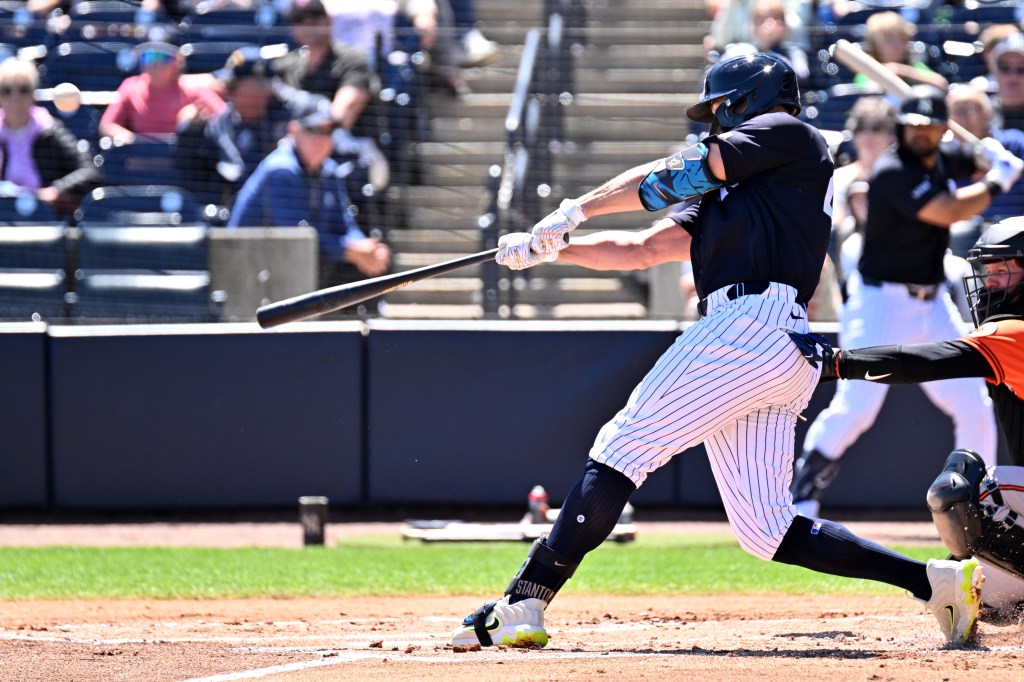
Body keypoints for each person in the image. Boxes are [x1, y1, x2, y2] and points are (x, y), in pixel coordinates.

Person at [450, 52, 986, 650]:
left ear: (748, 99)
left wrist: (575, 208)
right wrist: (550, 247)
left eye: (721, 107)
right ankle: (933, 582)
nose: (714, 120)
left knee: (622, 447)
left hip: (750, 325)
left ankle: (525, 599)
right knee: (766, 529)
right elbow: (642, 250)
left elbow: (671, 174)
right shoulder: (742, 186)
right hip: (776, 347)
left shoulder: (788, 134)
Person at [791, 85, 1016, 518]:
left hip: (933, 304)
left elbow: (972, 160)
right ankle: (802, 498)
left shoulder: (944, 156)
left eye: (929, 127)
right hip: (881, 302)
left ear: (942, 129)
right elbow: (947, 210)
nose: (919, 134)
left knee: (974, 403)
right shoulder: (892, 169)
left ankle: (980, 506)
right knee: (857, 406)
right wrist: (997, 180)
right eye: (912, 126)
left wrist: (991, 153)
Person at [797, 216, 1024, 613]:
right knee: (983, 587)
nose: (989, 281)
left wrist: (837, 363)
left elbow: (923, 361)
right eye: (988, 269)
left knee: (971, 490)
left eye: (1002, 269)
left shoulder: (1014, 331)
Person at [227, 96, 391, 285]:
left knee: (381, 266)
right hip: (249, 273)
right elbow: (298, 235)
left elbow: (344, 225)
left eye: (329, 130)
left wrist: (368, 249)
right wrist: (350, 250)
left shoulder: (329, 171)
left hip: (290, 270)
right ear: (293, 130)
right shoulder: (281, 170)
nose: (323, 138)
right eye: (314, 130)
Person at [174, 47, 286, 208]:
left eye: (233, 86)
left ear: (262, 86)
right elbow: (193, 171)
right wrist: (190, 131)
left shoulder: (288, 117)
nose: (227, 92)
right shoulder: (222, 121)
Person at [0, 56, 99, 218]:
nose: (15, 97)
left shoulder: (50, 130)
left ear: (33, 94)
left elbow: (89, 171)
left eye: (23, 89)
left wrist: (56, 190)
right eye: (6, 90)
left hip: (45, 221)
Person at [98, 41, 226, 143]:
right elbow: (107, 125)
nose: (154, 63)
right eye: (147, 57)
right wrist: (131, 140)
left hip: (183, 160)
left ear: (177, 62)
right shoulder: (130, 86)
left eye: (162, 57)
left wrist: (195, 122)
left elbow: (225, 118)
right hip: (142, 160)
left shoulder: (193, 88)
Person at [277, 0, 374, 134]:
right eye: (299, 19)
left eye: (314, 16)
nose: (308, 24)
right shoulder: (287, 64)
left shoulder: (353, 60)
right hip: (298, 141)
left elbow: (340, 118)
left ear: (329, 19)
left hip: (348, 142)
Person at [830, 96, 897, 287]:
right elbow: (836, 225)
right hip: (848, 258)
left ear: (891, 134)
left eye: (876, 127)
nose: (868, 134)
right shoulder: (839, 177)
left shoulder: (903, 176)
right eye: (861, 127)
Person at [947, 82, 1024, 224]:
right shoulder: (943, 156)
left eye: (971, 108)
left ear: (988, 112)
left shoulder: (1015, 143)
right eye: (956, 110)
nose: (963, 116)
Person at [855, 11, 947, 92]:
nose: (897, 45)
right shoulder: (867, 71)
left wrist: (902, 71)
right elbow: (867, 89)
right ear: (875, 44)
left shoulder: (913, 65)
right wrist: (887, 74)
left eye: (901, 38)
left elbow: (942, 84)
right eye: (889, 40)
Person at [987, 32, 1024, 133]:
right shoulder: (980, 115)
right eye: (1005, 68)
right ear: (994, 72)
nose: (1013, 76)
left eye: (1021, 69)